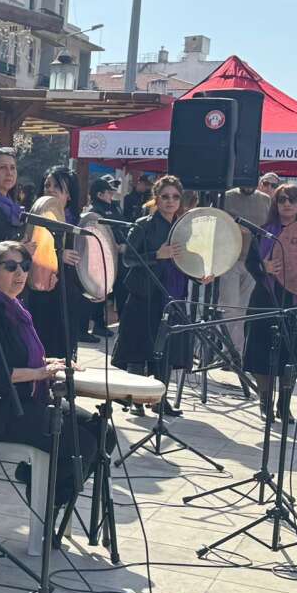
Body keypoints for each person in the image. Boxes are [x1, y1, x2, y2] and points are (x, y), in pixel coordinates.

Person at [0, 242, 101, 509]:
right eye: (11, 267)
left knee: (102, 431)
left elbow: (15, 357)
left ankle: (43, 490)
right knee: (82, 444)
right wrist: (39, 372)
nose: (21, 273)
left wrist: (49, 363)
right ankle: (47, 506)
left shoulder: (13, 306)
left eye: (24, 266)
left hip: (25, 401)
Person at [111, 174, 200, 415]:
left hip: (173, 296)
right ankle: (137, 399)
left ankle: (160, 399)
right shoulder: (144, 224)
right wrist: (156, 255)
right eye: (165, 196)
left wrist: (200, 275)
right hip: (145, 295)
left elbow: (188, 260)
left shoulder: (184, 227)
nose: (170, 201)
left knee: (167, 350)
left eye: (175, 197)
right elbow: (129, 259)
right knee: (140, 349)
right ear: (157, 199)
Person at [243, 183, 297, 425]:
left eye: (292, 199)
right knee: (260, 353)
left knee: (292, 353)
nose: (287, 204)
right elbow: (249, 263)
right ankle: (265, 402)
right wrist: (263, 267)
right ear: (275, 204)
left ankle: (284, 405)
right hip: (267, 298)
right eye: (282, 199)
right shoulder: (263, 232)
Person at [26, 166, 83, 359]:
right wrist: (59, 255)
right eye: (47, 185)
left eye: (57, 187)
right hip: (42, 293)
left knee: (63, 347)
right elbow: (33, 252)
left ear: (69, 195)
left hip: (68, 293)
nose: (50, 189)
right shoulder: (36, 218)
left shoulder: (78, 224)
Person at [219, 181, 272, 355]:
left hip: (253, 262)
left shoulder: (265, 200)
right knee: (229, 307)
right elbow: (217, 223)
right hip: (230, 260)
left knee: (244, 310)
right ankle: (228, 351)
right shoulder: (227, 197)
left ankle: (238, 353)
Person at [81, 174, 126, 340]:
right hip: (101, 258)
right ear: (99, 194)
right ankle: (94, 326)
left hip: (117, 257)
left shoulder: (113, 208)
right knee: (97, 294)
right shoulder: (94, 212)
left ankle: (111, 325)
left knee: (115, 292)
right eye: (108, 192)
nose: (111, 195)